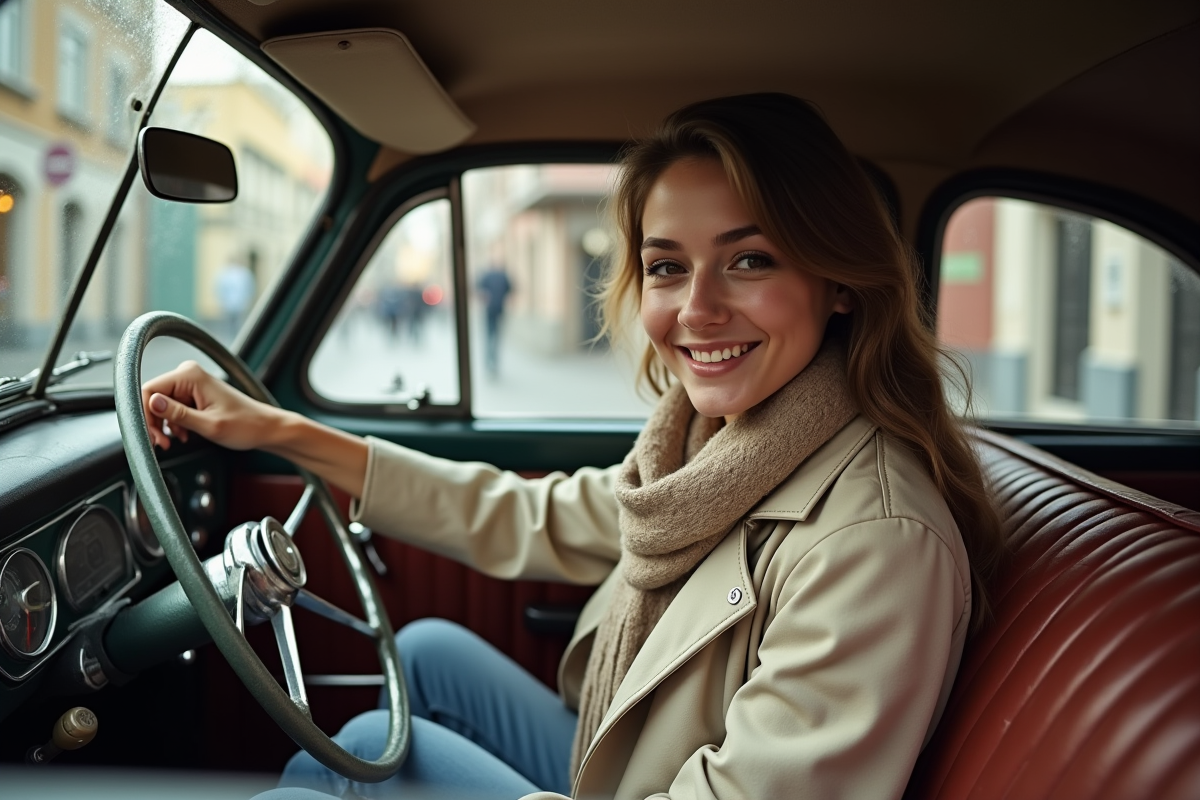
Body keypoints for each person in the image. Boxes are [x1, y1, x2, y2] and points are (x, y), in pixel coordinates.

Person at [141, 94, 1005, 800]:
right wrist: (275, 430)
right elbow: (533, 516)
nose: (697, 310)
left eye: (749, 261)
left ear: (840, 282)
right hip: (619, 760)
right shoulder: (713, 446)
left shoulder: (875, 541)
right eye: (667, 267)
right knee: (427, 655)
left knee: (364, 754)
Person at [476, 261, 513, 376]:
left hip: (490, 310)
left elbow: (479, 289)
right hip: (499, 310)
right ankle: (494, 362)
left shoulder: (487, 276)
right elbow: (510, 290)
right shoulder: (503, 276)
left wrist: (485, 299)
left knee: (489, 337)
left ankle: (489, 362)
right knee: (496, 337)